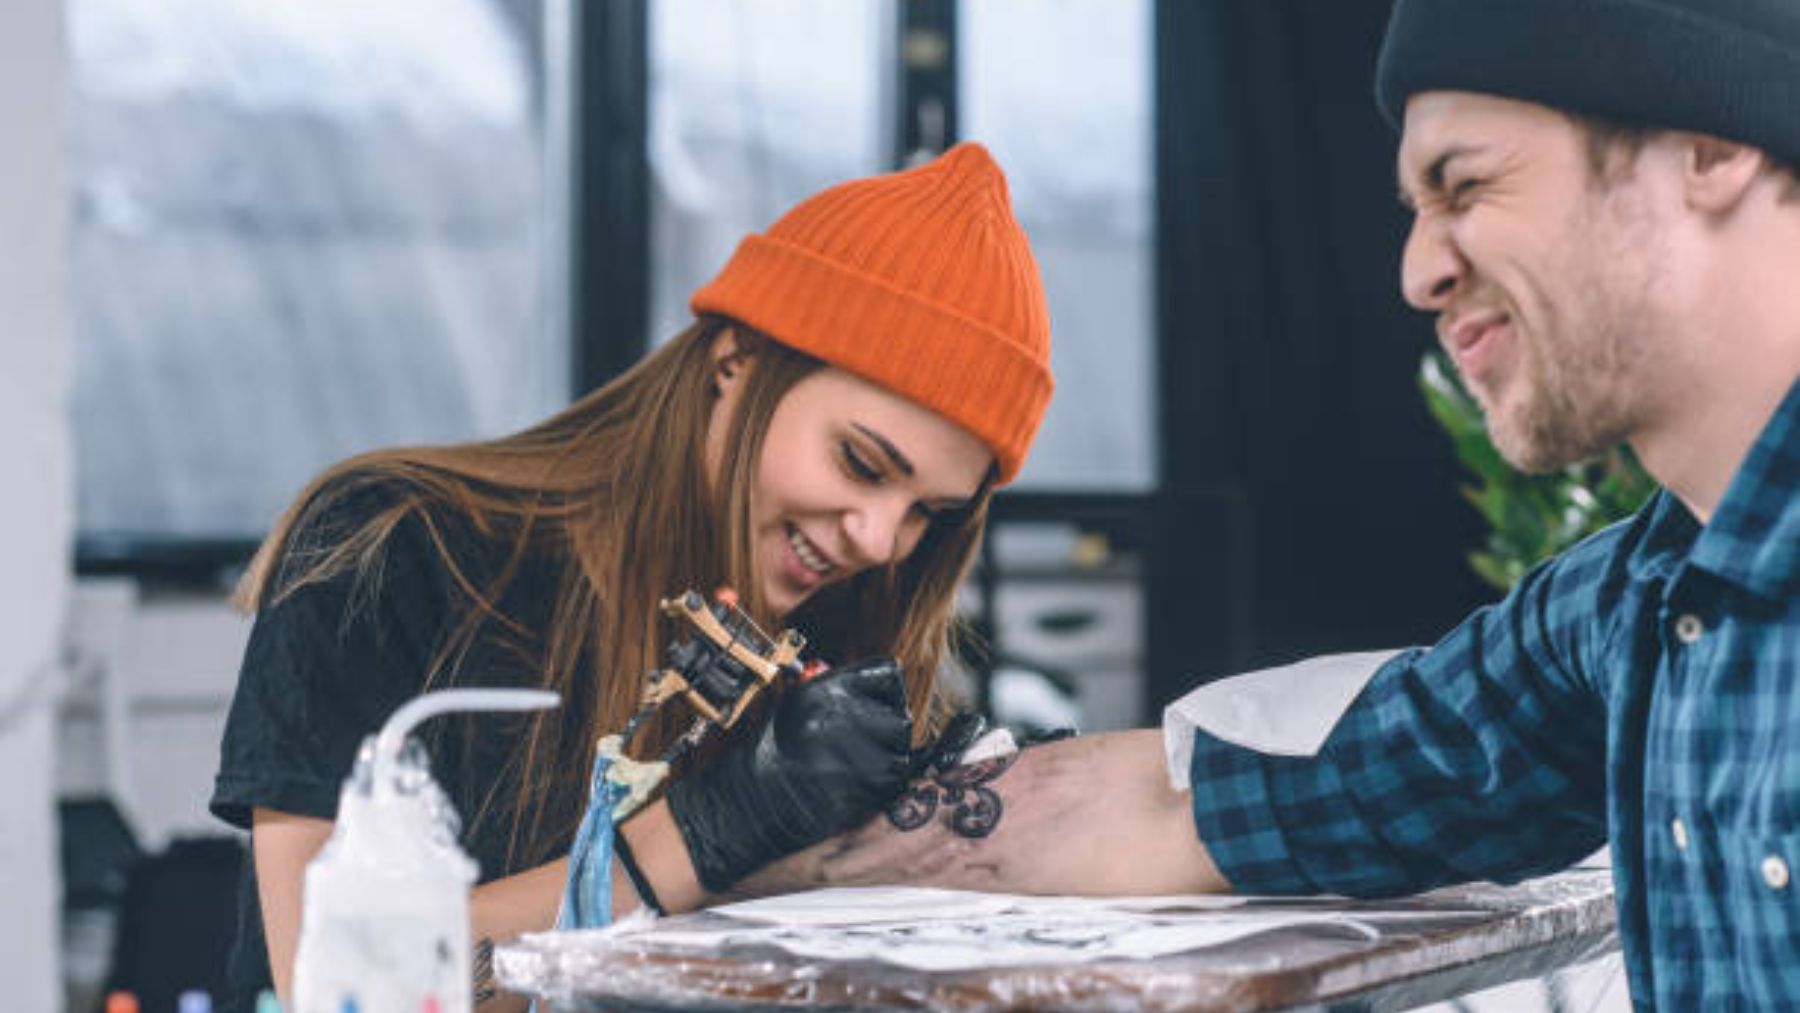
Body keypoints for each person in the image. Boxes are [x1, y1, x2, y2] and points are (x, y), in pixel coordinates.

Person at [744, 1, 1800, 1007]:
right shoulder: (1626, 612)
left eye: (1468, 185)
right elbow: (1187, 803)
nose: (1418, 272)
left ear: (1709, 146)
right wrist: (727, 843)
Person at [208, 141, 1054, 1013]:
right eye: (861, 463)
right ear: (735, 364)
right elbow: (333, 989)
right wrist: (699, 837)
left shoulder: (833, 653)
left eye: (928, 513)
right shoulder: (390, 552)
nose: (879, 539)